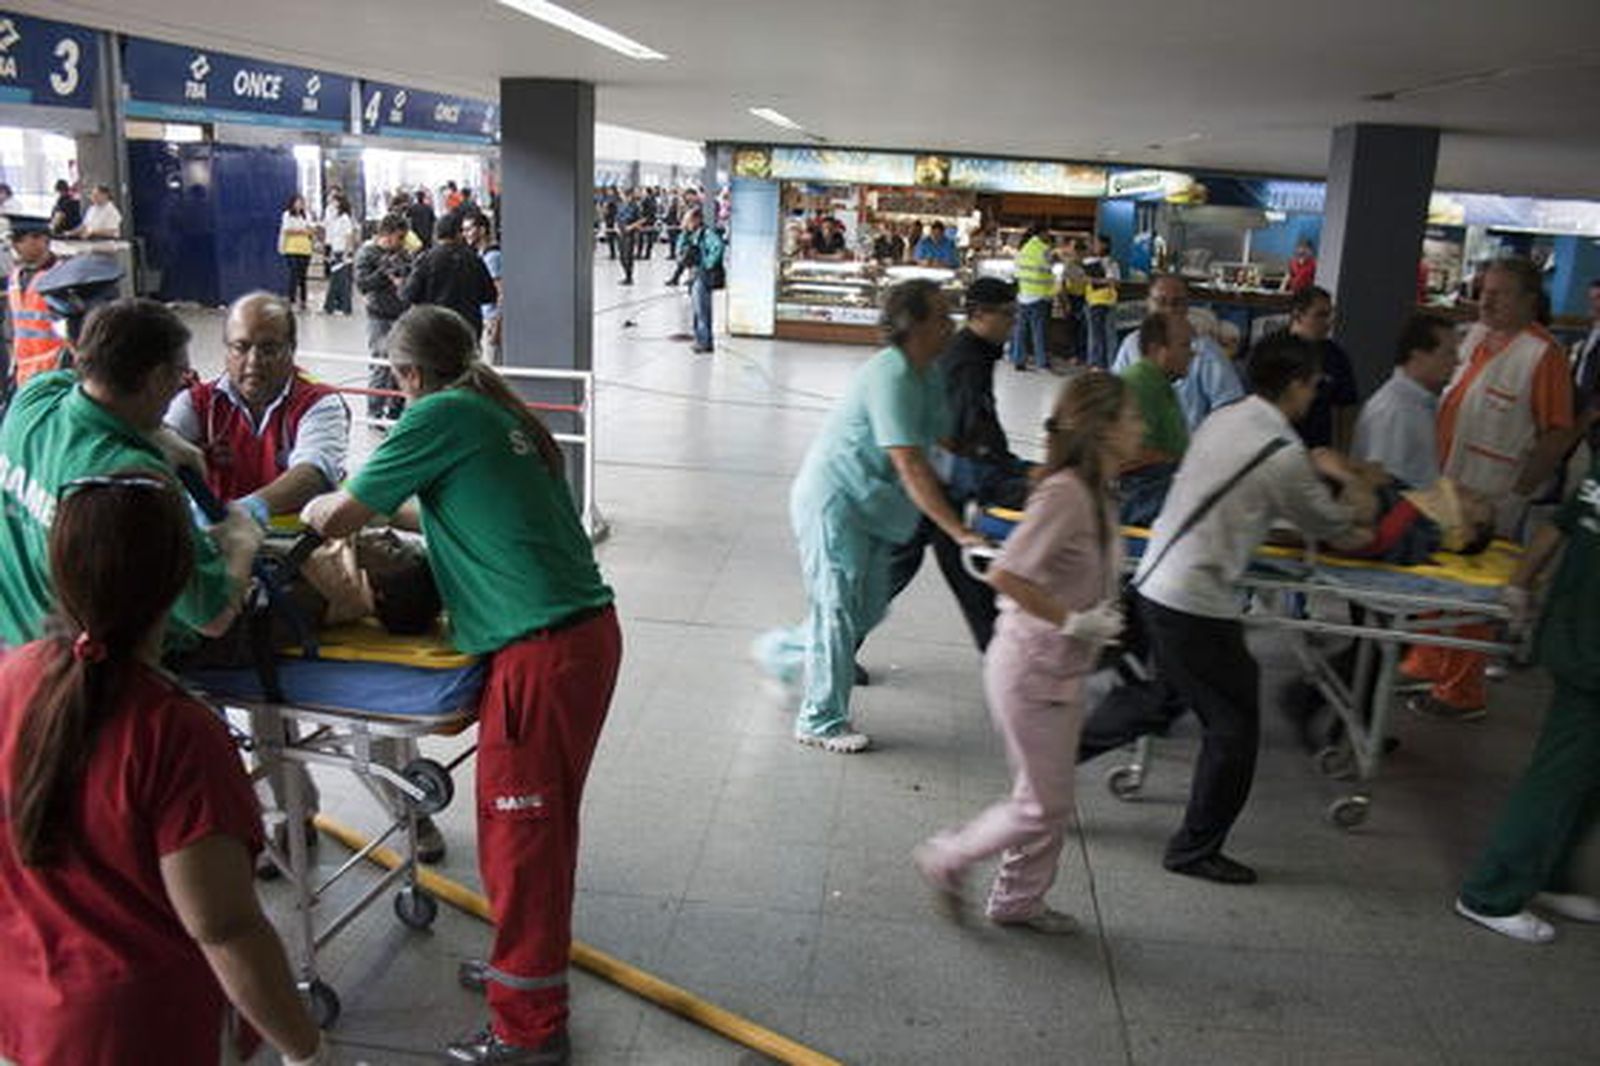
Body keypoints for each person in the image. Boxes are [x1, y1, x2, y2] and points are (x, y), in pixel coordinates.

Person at [300, 305, 619, 1066]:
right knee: (540, 833)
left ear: (407, 374)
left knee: (522, 842)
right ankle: (524, 974)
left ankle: (529, 1029)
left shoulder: (436, 413)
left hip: (542, 653)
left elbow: (340, 516)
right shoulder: (483, 411)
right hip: (578, 642)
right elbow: (442, 506)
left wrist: (308, 505)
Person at [0, 472, 336, 1066]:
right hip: (139, 1031)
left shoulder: (13, 680)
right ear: (180, 580)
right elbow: (225, 928)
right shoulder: (177, 733)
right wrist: (306, 1050)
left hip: (27, 1016)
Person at [1126, 334, 1367, 883]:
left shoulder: (1226, 416)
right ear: (1296, 384)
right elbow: (1332, 527)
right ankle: (1193, 850)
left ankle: (1049, 767)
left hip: (1158, 579)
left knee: (1160, 697)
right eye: (1312, 383)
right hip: (1194, 597)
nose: (1315, 393)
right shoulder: (1282, 452)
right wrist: (1350, 479)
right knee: (1233, 727)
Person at [914, 373, 1143, 932]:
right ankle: (948, 857)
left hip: (1059, 670)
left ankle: (1018, 900)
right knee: (1042, 803)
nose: (1143, 427)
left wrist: (1096, 613)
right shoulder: (1066, 494)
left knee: (1049, 796)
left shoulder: (1098, 492)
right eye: (1132, 418)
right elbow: (1007, 574)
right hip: (1030, 671)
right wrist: (1075, 620)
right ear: (1105, 429)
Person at [752, 280, 984, 753]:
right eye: (941, 315)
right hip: (834, 501)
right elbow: (911, 462)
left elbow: (940, 443)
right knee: (835, 608)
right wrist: (959, 532)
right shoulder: (891, 374)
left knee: (869, 606)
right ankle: (820, 719)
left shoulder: (929, 374)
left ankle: (780, 653)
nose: (952, 323)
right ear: (913, 325)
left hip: (876, 508)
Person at [0, 298, 260, 653]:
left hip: (14, 656)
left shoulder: (34, 399)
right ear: (155, 378)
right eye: (179, 373)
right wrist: (241, 542)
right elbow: (211, 618)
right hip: (82, 680)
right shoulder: (134, 482)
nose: (181, 386)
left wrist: (162, 435)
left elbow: (86, 389)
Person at [1404, 258, 1589, 722]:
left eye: (1500, 293)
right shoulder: (1471, 338)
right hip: (1447, 482)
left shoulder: (1541, 354)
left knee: (1473, 591)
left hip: (1493, 493)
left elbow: (1557, 431)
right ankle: (1426, 661)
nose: (1486, 299)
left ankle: (1462, 689)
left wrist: (1521, 488)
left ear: (1529, 301)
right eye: (1484, 289)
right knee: (1436, 573)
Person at [1453, 452, 1600, 943]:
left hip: (1574, 632)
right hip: (1592, 655)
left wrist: (1519, 586)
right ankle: (1490, 893)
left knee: (1587, 775)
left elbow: (1556, 530)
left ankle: (1552, 877)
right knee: (1559, 776)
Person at [885, 277, 1028, 652]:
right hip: (932, 483)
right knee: (899, 570)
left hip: (938, 481)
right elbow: (957, 432)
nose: (1014, 322)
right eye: (1008, 314)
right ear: (980, 314)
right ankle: (831, 645)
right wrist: (1007, 471)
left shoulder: (976, 353)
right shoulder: (966, 359)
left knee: (961, 573)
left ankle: (996, 654)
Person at [164, 292, 348, 522]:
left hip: (299, 543)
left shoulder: (320, 403)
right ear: (227, 350)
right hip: (221, 540)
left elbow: (313, 472)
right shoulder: (198, 402)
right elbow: (157, 446)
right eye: (241, 347)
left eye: (269, 349)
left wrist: (248, 510)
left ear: (291, 349)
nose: (253, 361)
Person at [1110, 275, 1246, 430]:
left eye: (1177, 303)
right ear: (1148, 303)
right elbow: (1114, 397)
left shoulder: (1206, 352)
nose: (1169, 309)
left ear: (1187, 307)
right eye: (1161, 302)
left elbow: (1231, 411)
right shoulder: (1131, 345)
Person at [1351, 312, 1458, 488]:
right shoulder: (1395, 412)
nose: (1457, 361)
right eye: (1449, 353)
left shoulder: (1419, 403)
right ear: (1418, 356)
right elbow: (1387, 489)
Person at [1117, 312, 1193, 525]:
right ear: (1156, 349)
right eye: (1184, 345)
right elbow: (1127, 457)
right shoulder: (1140, 384)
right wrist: (1179, 463)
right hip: (1141, 495)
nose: (1192, 353)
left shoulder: (1161, 385)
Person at [1277, 286, 1358, 450]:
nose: (1329, 321)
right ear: (1297, 315)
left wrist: (1343, 450)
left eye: (1330, 314)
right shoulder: (1274, 351)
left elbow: (1347, 408)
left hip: (1318, 450)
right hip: (1278, 446)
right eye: (1321, 315)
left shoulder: (1335, 356)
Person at [402, 212, 499, 338]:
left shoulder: (426, 260)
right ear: (458, 234)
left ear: (436, 234)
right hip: (469, 328)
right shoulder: (473, 259)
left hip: (437, 328)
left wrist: (401, 283)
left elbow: (409, 295)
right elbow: (489, 295)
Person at [5, 215, 68, 396]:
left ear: (42, 240)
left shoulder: (62, 277)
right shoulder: (16, 277)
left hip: (54, 374)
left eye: (19, 240)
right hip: (23, 374)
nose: (15, 247)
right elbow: (15, 328)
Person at [1010, 223, 1055, 372]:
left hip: (1024, 294)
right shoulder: (1044, 250)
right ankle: (1041, 362)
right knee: (1039, 331)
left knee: (1021, 330)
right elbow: (1049, 270)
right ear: (1042, 234)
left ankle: (1018, 360)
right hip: (1040, 294)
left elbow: (1016, 273)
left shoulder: (1023, 249)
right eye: (1047, 233)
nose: (1049, 236)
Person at [679, 207, 724, 354]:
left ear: (698, 220)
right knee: (697, 309)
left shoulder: (707, 234)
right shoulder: (691, 235)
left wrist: (707, 264)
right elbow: (680, 249)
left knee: (702, 309)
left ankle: (704, 342)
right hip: (693, 273)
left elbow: (718, 246)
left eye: (690, 220)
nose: (688, 223)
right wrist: (684, 232)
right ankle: (700, 339)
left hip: (702, 274)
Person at [463, 210, 504, 362]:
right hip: (486, 320)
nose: (465, 234)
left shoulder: (492, 257)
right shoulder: (481, 256)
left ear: (482, 230)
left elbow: (501, 293)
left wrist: (497, 327)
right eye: (463, 230)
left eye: (469, 229)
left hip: (491, 321)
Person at [1081, 237, 1120, 369]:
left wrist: (1093, 279)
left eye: (1096, 243)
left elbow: (1114, 282)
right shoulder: (1091, 262)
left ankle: (1102, 365)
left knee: (1102, 337)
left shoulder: (1110, 263)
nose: (1093, 246)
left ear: (1104, 245)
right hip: (1095, 302)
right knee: (1099, 336)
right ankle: (1101, 365)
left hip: (1103, 302)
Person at [321, 193, 357, 316]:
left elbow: (349, 237)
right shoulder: (335, 219)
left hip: (342, 252)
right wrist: (331, 252)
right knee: (336, 280)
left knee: (342, 281)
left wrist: (347, 254)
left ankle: (344, 308)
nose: (332, 203)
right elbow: (332, 237)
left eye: (334, 201)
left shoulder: (345, 218)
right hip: (336, 251)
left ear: (340, 203)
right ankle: (331, 307)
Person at [278, 194, 315, 310]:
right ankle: (292, 300)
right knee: (293, 274)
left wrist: (300, 230)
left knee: (303, 276)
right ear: (292, 203)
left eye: (301, 202)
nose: (299, 205)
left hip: (305, 249)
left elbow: (311, 231)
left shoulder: (307, 215)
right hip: (291, 248)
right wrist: (303, 230)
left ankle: (303, 301)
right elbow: (287, 231)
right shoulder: (287, 215)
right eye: (297, 202)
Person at [615, 189, 641, 285]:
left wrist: (631, 226)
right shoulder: (621, 205)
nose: (623, 197)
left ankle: (629, 277)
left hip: (629, 234)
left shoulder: (635, 207)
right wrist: (616, 227)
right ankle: (626, 275)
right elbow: (617, 218)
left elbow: (642, 220)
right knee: (621, 256)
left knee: (628, 256)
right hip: (620, 233)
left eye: (624, 195)